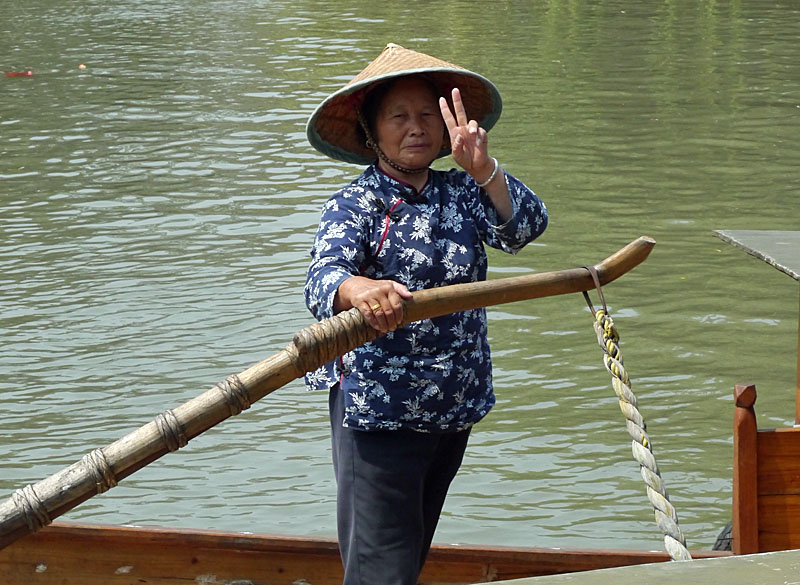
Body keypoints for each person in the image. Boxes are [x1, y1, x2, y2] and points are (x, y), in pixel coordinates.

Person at [303, 43, 548, 585]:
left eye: (427, 115)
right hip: (379, 409)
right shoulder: (357, 203)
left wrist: (485, 169)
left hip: (452, 403)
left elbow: (526, 228)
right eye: (399, 117)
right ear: (371, 132)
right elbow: (322, 277)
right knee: (381, 570)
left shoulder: (463, 191)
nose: (416, 128)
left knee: (407, 556)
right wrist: (359, 289)